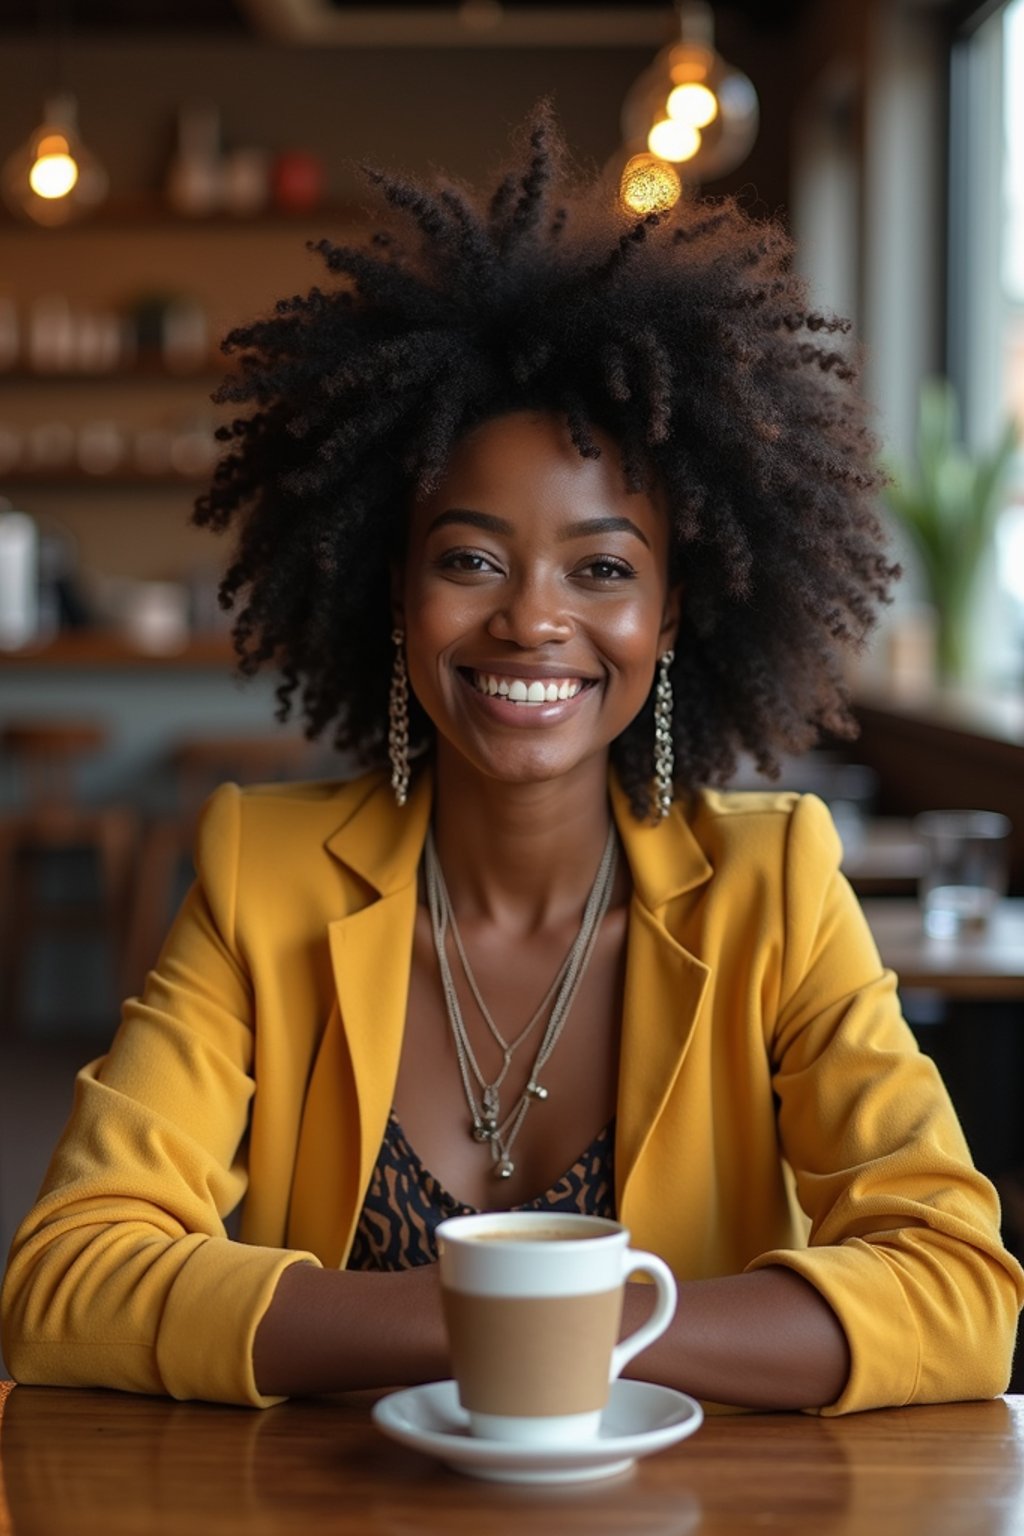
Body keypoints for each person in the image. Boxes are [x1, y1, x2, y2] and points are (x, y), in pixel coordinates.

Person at [3, 106, 1021, 1413]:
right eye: (470, 559)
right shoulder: (262, 873)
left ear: (672, 613)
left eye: (602, 568)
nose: (533, 619)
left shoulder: (774, 884)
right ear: (394, 592)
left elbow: (960, 1295)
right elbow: (67, 1281)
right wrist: (500, 1320)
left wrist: (539, 1330)